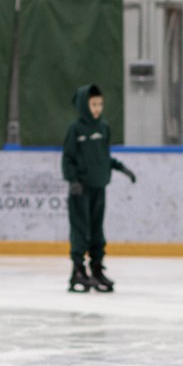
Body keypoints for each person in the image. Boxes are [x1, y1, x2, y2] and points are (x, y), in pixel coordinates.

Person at [61, 84, 136, 293]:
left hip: (99, 186)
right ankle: (77, 269)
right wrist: (73, 180)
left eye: (100, 104)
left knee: (96, 230)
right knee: (80, 229)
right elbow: (67, 159)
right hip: (80, 189)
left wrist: (121, 168)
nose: (97, 108)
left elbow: (103, 156)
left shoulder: (103, 127)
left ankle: (96, 268)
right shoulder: (75, 130)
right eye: (93, 104)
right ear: (84, 105)